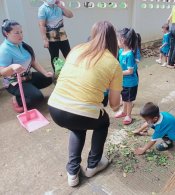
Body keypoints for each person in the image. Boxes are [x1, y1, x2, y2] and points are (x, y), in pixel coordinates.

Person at [48, 21, 123, 187]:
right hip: (79, 112)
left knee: (77, 127)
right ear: (113, 39)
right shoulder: (114, 64)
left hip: (55, 106)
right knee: (102, 123)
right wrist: (120, 106)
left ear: (93, 34)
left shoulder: (77, 49)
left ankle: (72, 172)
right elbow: (114, 104)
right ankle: (93, 165)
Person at [0, 19, 53, 113]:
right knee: (37, 98)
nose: (20, 35)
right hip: (14, 83)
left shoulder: (21, 44)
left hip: (27, 77)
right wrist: (12, 66)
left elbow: (33, 62)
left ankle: (27, 91)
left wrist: (45, 73)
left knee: (48, 78)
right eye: (16, 33)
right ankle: (17, 100)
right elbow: (2, 72)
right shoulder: (4, 50)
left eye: (21, 32)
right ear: (6, 33)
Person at [38, 0, 73, 71]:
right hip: (51, 37)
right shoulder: (42, 9)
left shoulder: (59, 6)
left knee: (68, 55)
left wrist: (62, 7)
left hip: (62, 35)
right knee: (55, 58)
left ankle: (71, 72)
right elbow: (42, 25)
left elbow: (70, 15)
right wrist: (45, 40)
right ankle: (57, 76)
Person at [115, 28, 139, 125]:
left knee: (128, 100)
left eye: (118, 39)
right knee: (124, 97)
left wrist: (118, 73)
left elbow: (130, 71)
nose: (117, 41)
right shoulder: (121, 51)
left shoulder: (130, 54)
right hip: (123, 81)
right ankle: (124, 111)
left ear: (123, 40)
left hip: (130, 82)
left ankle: (128, 115)